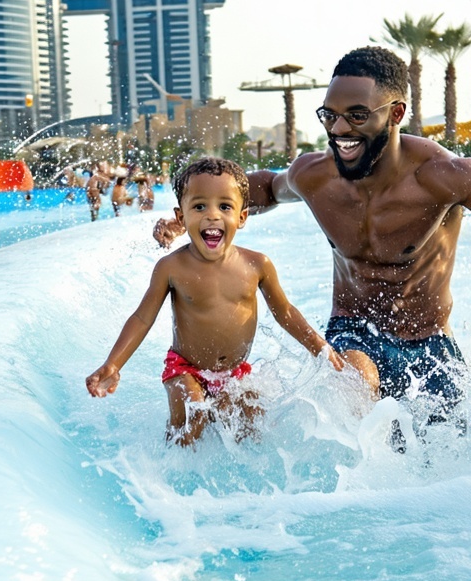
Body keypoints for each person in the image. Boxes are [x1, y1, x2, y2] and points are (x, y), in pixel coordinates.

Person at [152, 46, 471, 425]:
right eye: (329, 116)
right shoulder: (316, 176)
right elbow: (263, 187)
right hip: (354, 330)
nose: (338, 130)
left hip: (430, 341)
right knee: (356, 382)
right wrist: (199, 215)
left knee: (444, 456)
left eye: (355, 115)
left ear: (395, 113)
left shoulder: (445, 177)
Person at [87, 157, 344, 446]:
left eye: (224, 206)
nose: (212, 216)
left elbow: (285, 313)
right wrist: (114, 364)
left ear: (242, 217)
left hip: (235, 373)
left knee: (254, 423)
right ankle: (169, 477)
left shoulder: (257, 265)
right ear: (181, 217)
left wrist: (320, 348)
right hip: (185, 369)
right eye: (199, 206)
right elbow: (142, 318)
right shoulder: (171, 267)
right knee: (192, 416)